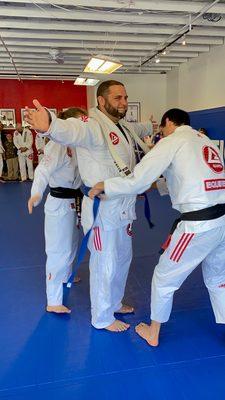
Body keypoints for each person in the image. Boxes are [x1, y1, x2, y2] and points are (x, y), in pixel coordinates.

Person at [25, 80, 157, 332]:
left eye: (125, 97)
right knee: (103, 262)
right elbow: (72, 129)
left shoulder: (122, 127)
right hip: (102, 210)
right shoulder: (92, 126)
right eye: (117, 98)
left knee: (122, 259)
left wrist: (151, 125)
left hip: (123, 207)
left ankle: (115, 301)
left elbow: (139, 129)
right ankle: (102, 316)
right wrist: (50, 124)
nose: (123, 102)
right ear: (101, 101)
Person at [89, 108, 225, 346]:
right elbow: (189, 178)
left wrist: (107, 185)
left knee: (163, 278)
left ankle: (153, 333)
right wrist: (155, 187)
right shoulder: (204, 141)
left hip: (197, 226)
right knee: (219, 279)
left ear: (168, 123)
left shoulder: (171, 141)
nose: (161, 133)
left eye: (162, 128)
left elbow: (137, 178)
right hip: (222, 221)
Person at [28, 108, 87, 314]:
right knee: (57, 252)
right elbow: (42, 171)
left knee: (71, 244)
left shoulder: (80, 145)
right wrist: (36, 194)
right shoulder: (56, 146)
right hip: (59, 203)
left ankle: (66, 275)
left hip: (74, 201)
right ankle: (53, 300)